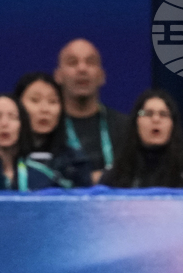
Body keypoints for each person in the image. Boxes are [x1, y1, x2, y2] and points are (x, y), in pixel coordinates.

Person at [53, 39, 130, 183]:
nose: (82, 69)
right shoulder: (49, 129)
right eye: (72, 62)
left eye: (90, 62)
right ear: (58, 76)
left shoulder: (126, 128)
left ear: (102, 76)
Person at [13, 72, 92, 187]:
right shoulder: (2, 160)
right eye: (35, 100)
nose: (45, 109)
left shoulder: (76, 162)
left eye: (52, 101)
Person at [100, 90, 183, 188]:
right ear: (136, 122)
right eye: (148, 114)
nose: (156, 119)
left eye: (163, 114)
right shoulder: (115, 175)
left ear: (173, 124)